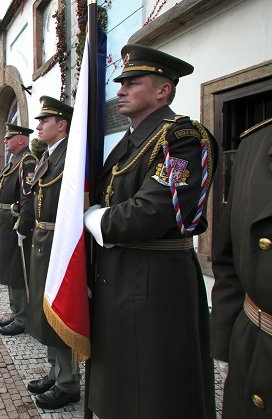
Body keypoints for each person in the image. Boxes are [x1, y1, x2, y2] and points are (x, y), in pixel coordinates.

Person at [83, 44, 217, 419]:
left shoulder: (182, 139)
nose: (120, 90)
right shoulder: (127, 143)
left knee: (154, 388)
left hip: (154, 282)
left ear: (163, 91)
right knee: (121, 384)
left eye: (132, 82)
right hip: (118, 276)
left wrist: (95, 220)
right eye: (120, 82)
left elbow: (151, 211)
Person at [20, 97, 80, 409]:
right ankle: (55, 372)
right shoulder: (47, 156)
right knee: (45, 310)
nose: (39, 126)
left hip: (59, 243)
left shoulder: (71, 155)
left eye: (45, 121)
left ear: (62, 125)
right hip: (43, 241)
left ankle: (68, 382)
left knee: (61, 311)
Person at [211, 118, 272, 419]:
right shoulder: (253, 144)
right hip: (251, 344)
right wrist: (224, 343)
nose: (121, 92)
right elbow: (229, 258)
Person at [0, 123, 37, 336]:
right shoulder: (13, 162)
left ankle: (22, 318)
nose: (5, 141)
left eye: (9, 138)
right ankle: (16, 311)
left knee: (18, 271)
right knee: (9, 269)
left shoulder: (27, 162)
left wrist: (24, 228)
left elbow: (28, 199)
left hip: (15, 223)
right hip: (6, 222)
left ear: (21, 140)